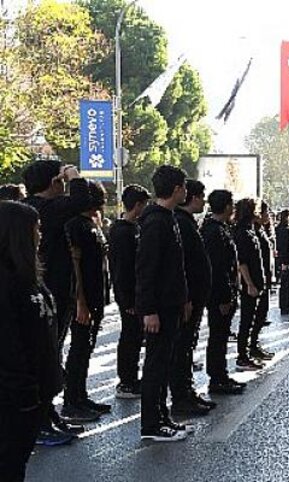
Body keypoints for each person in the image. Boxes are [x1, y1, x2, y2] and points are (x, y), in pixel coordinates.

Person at [21, 161, 92, 440]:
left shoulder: (37, 208)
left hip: (55, 291)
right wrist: (74, 174)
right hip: (46, 292)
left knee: (52, 356)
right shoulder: (43, 208)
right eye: (61, 180)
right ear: (53, 182)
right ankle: (40, 421)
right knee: (44, 358)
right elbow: (82, 200)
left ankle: (48, 414)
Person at [0, 201, 68, 475]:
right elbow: (9, 346)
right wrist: (24, 393)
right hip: (15, 399)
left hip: (37, 394)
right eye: (35, 229)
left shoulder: (27, 275)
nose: (39, 235)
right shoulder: (6, 283)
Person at [136, 165, 190, 442]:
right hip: (158, 308)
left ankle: (162, 415)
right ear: (177, 189)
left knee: (164, 363)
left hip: (171, 304)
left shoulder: (167, 218)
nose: (186, 191)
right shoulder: (155, 221)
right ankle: (151, 424)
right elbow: (146, 269)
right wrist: (149, 310)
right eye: (184, 187)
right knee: (155, 366)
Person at [62, 180, 111, 421]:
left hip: (96, 294)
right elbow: (75, 264)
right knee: (79, 348)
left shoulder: (92, 223)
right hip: (85, 297)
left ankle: (81, 396)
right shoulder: (75, 225)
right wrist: (80, 301)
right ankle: (72, 401)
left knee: (87, 347)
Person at [168, 180, 215, 416]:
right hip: (188, 297)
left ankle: (187, 391)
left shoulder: (187, 222)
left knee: (188, 345)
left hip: (195, 296)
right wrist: (185, 296)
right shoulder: (181, 223)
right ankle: (181, 395)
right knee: (182, 347)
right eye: (201, 196)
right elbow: (181, 265)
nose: (203, 201)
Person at [200, 190, 246, 395]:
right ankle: (217, 378)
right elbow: (218, 268)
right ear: (227, 206)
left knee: (221, 336)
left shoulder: (221, 228)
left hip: (225, 291)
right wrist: (224, 297)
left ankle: (221, 374)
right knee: (218, 337)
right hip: (219, 295)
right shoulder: (213, 231)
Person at [110, 185, 150, 400]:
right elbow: (122, 269)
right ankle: (126, 381)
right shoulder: (122, 232)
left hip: (137, 293)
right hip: (129, 296)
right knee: (130, 337)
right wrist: (128, 300)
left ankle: (132, 378)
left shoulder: (134, 228)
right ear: (137, 205)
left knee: (135, 337)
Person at [233, 198, 266, 371]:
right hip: (249, 284)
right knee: (246, 320)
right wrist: (249, 284)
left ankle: (248, 352)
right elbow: (242, 262)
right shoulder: (242, 233)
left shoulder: (250, 230)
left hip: (256, 281)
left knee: (252, 319)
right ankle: (242, 356)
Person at [252, 201, 275, 360]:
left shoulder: (261, 230)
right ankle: (250, 348)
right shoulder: (252, 231)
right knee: (254, 316)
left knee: (261, 314)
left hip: (264, 277)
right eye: (266, 213)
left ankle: (254, 345)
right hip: (256, 279)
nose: (268, 216)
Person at [275, 209, 289, 315]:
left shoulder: (284, 229)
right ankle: (285, 305)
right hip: (285, 260)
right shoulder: (283, 230)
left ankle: (286, 304)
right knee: (286, 284)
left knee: (287, 283)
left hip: (285, 259)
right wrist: (284, 262)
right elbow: (283, 247)